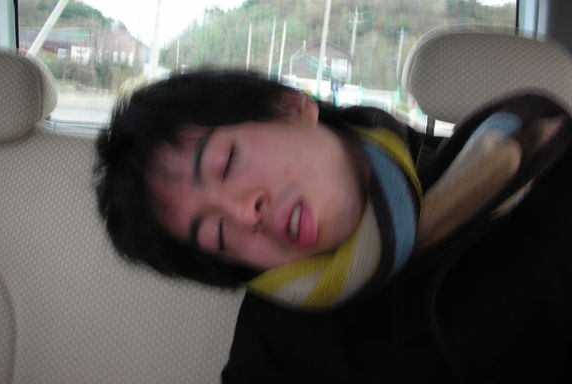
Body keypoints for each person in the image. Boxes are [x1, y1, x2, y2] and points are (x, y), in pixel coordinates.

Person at [95, 70, 572, 383]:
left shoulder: (546, 184)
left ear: (292, 107)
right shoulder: (276, 337)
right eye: (219, 235)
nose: (244, 214)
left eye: (227, 163)